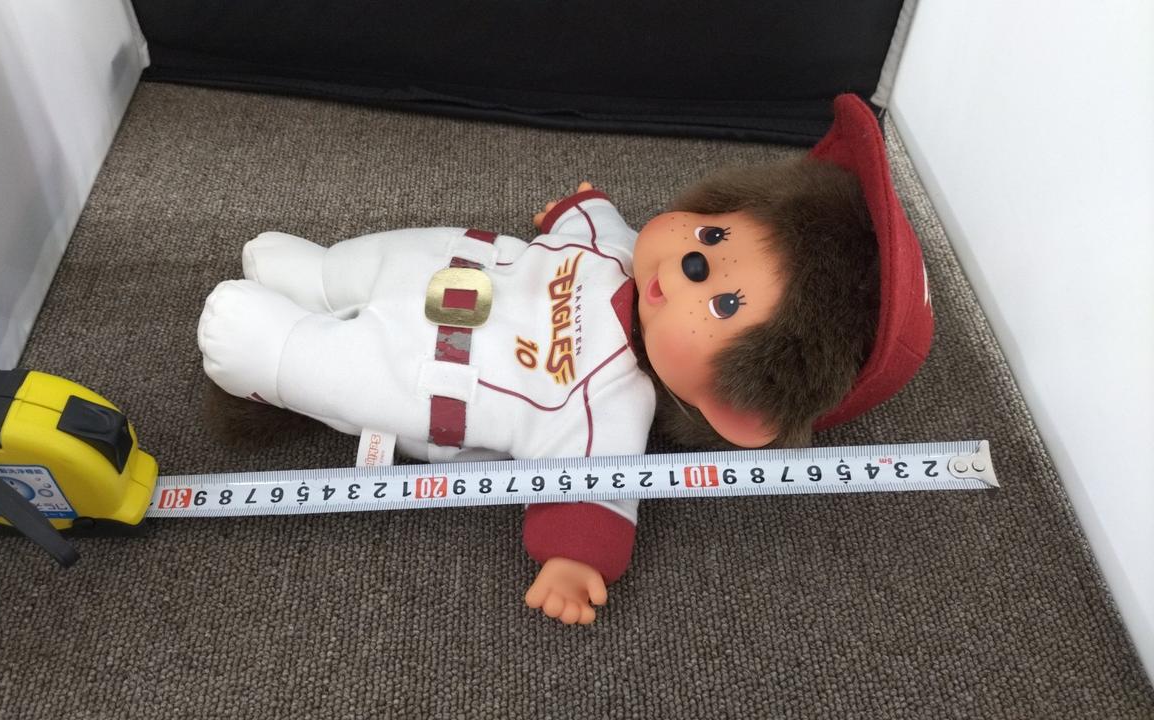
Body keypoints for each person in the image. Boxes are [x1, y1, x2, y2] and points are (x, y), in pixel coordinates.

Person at [197, 94, 933, 625]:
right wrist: (576, 208)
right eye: (711, 238)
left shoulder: (612, 401)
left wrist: (577, 559)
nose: (688, 265)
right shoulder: (620, 250)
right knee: (378, 261)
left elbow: (595, 486)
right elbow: (596, 222)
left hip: (434, 372)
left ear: (734, 404)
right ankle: (321, 276)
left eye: (725, 304)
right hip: (446, 269)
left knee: (356, 371)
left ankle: (275, 355)